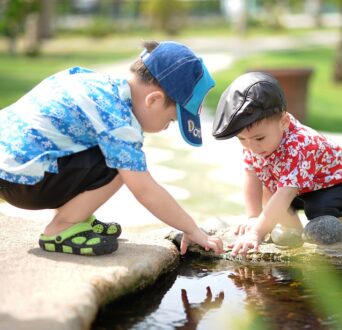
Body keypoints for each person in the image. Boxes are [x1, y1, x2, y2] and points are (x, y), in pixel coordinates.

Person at [0, 40, 223, 256]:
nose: (167, 127)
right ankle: (64, 226)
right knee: (122, 165)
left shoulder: (95, 83)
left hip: (11, 169)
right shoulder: (118, 120)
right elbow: (144, 189)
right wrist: (192, 229)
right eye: (172, 120)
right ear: (154, 100)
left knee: (107, 151)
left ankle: (77, 216)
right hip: (23, 183)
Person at [212, 72, 342, 256]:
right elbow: (251, 176)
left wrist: (256, 233)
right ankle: (295, 237)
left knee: (319, 209)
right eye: (242, 139)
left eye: (259, 138)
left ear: (284, 122)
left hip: (339, 183)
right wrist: (254, 217)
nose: (251, 146)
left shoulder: (300, 144)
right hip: (303, 187)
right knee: (269, 192)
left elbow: (286, 193)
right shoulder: (255, 143)